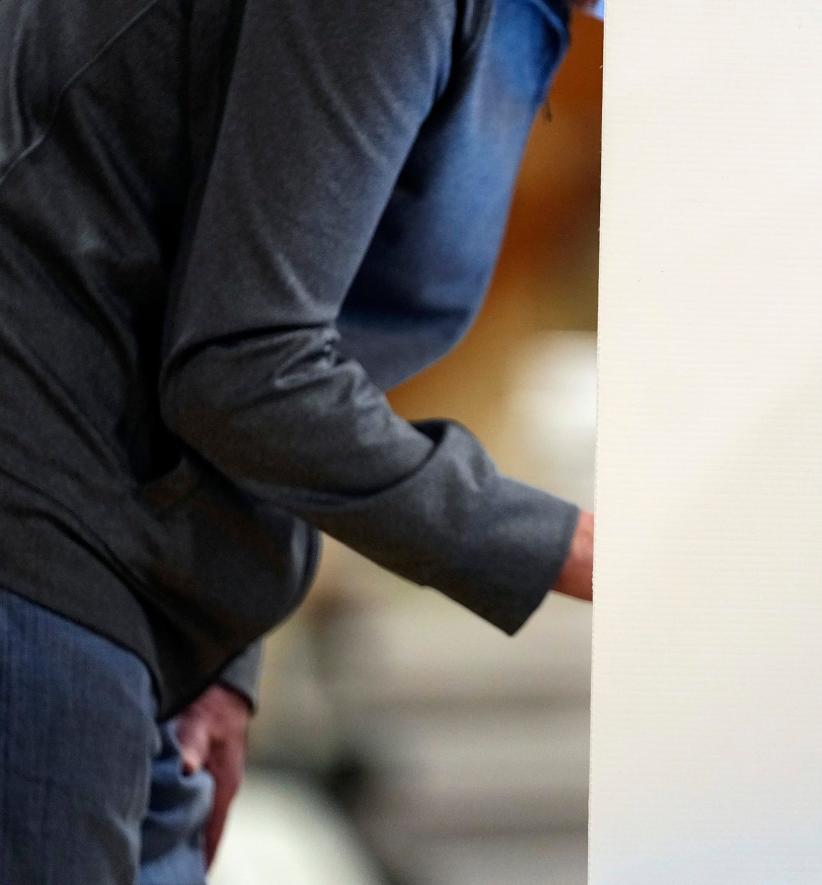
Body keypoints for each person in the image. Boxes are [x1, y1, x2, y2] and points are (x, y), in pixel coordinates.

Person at [0, 0, 601, 881]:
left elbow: (250, 303)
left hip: (133, 577)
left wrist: (220, 633)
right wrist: (571, 547)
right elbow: (249, 369)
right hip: (43, 541)